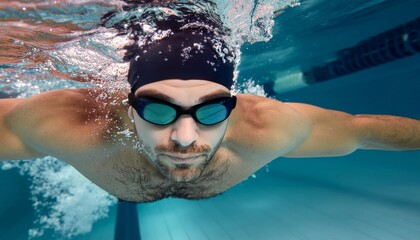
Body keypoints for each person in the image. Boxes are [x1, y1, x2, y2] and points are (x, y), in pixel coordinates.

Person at [0, 4, 419, 203]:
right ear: (129, 106)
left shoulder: (267, 128)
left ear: (232, 107)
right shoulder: (67, 124)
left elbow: (362, 132)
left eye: (210, 111)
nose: (184, 139)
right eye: (159, 110)